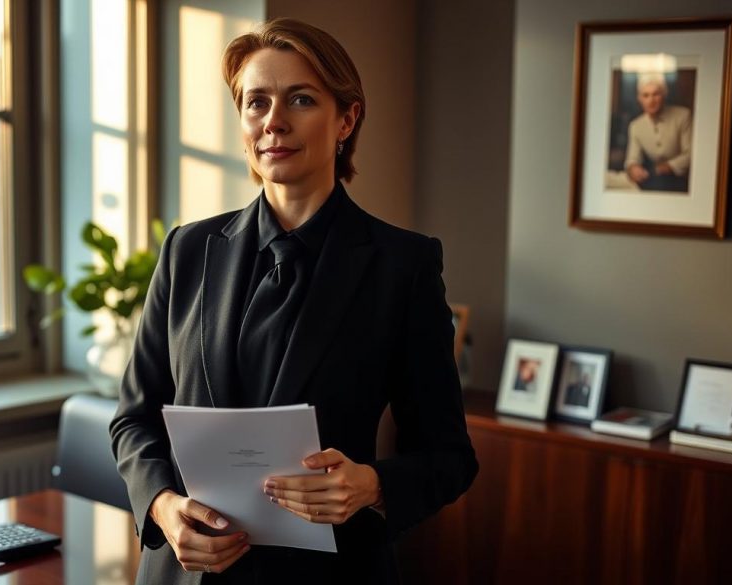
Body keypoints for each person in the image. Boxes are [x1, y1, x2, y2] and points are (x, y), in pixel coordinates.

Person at [110, 18, 478, 584]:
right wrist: (161, 505)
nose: (273, 122)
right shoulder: (188, 250)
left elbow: (449, 456)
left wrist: (372, 485)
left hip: (328, 573)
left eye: (300, 100)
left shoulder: (403, 266)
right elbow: (133, 419)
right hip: (183, 572)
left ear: (346, 119)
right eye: (256, 103)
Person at [624, 72, 692, 192]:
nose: (651, 100)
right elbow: (632, 158)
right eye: (646, 95)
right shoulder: (635, 126)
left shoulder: (683, 115)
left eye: (656, 94)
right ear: (639, 99)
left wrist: (668, 166)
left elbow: (690, 154)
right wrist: (633, 168)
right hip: (654, 180)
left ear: (664, 95)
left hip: (683, 179)